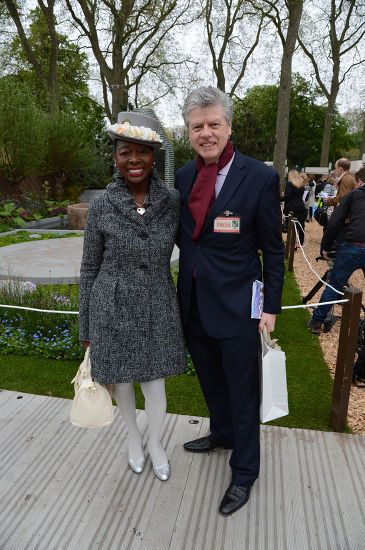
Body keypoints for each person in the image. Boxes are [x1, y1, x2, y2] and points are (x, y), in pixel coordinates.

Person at [174, 86, 285, 515]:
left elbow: (273, 252)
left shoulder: (258, 176)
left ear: (228, 126)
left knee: (243, 393)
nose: (206, 133)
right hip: (195, 304)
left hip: (240, 308)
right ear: (188, 132)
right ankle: (221, 433)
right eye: (197, 126)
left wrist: (270, 307)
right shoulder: (183, 177)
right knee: (210, 382)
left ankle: (245, 473)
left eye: (213, 124)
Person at [79, 112, 186, 481]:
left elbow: (197, 247)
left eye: (142, 152)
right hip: (112, 304)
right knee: (122, 382)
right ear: (115, 157)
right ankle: (133, 439)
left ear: (154, 156)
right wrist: (86, 325)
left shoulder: (172, 200)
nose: (134, 160)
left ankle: (156, 442)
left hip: (157, 303)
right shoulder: (101, 206)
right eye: (126, 152)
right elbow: (89, 268)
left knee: (155, 382)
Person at [308, 183, 365, 334]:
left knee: (334, 285)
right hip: (354, 243)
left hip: (354, 245)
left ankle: (317, 322)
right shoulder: (353, 195)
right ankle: (318, 320)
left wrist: (326, 247)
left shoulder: (353, 195)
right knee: (335, 284)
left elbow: (334, 221)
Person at [282, 169, 306, 246]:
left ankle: (292, 243)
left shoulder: (290, 184)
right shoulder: (301, 185)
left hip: (292, 207)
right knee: (301, 225)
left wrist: (279, 198)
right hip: (301, 206)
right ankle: (300, 242)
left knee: (292, 226)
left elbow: (288, 197)